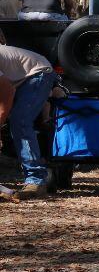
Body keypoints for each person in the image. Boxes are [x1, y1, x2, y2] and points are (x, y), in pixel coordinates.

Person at [0, 43, 56, 197]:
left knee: (20, 121)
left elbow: (7, 90)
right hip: (21, 76)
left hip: (38, 72)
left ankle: (36, 181)